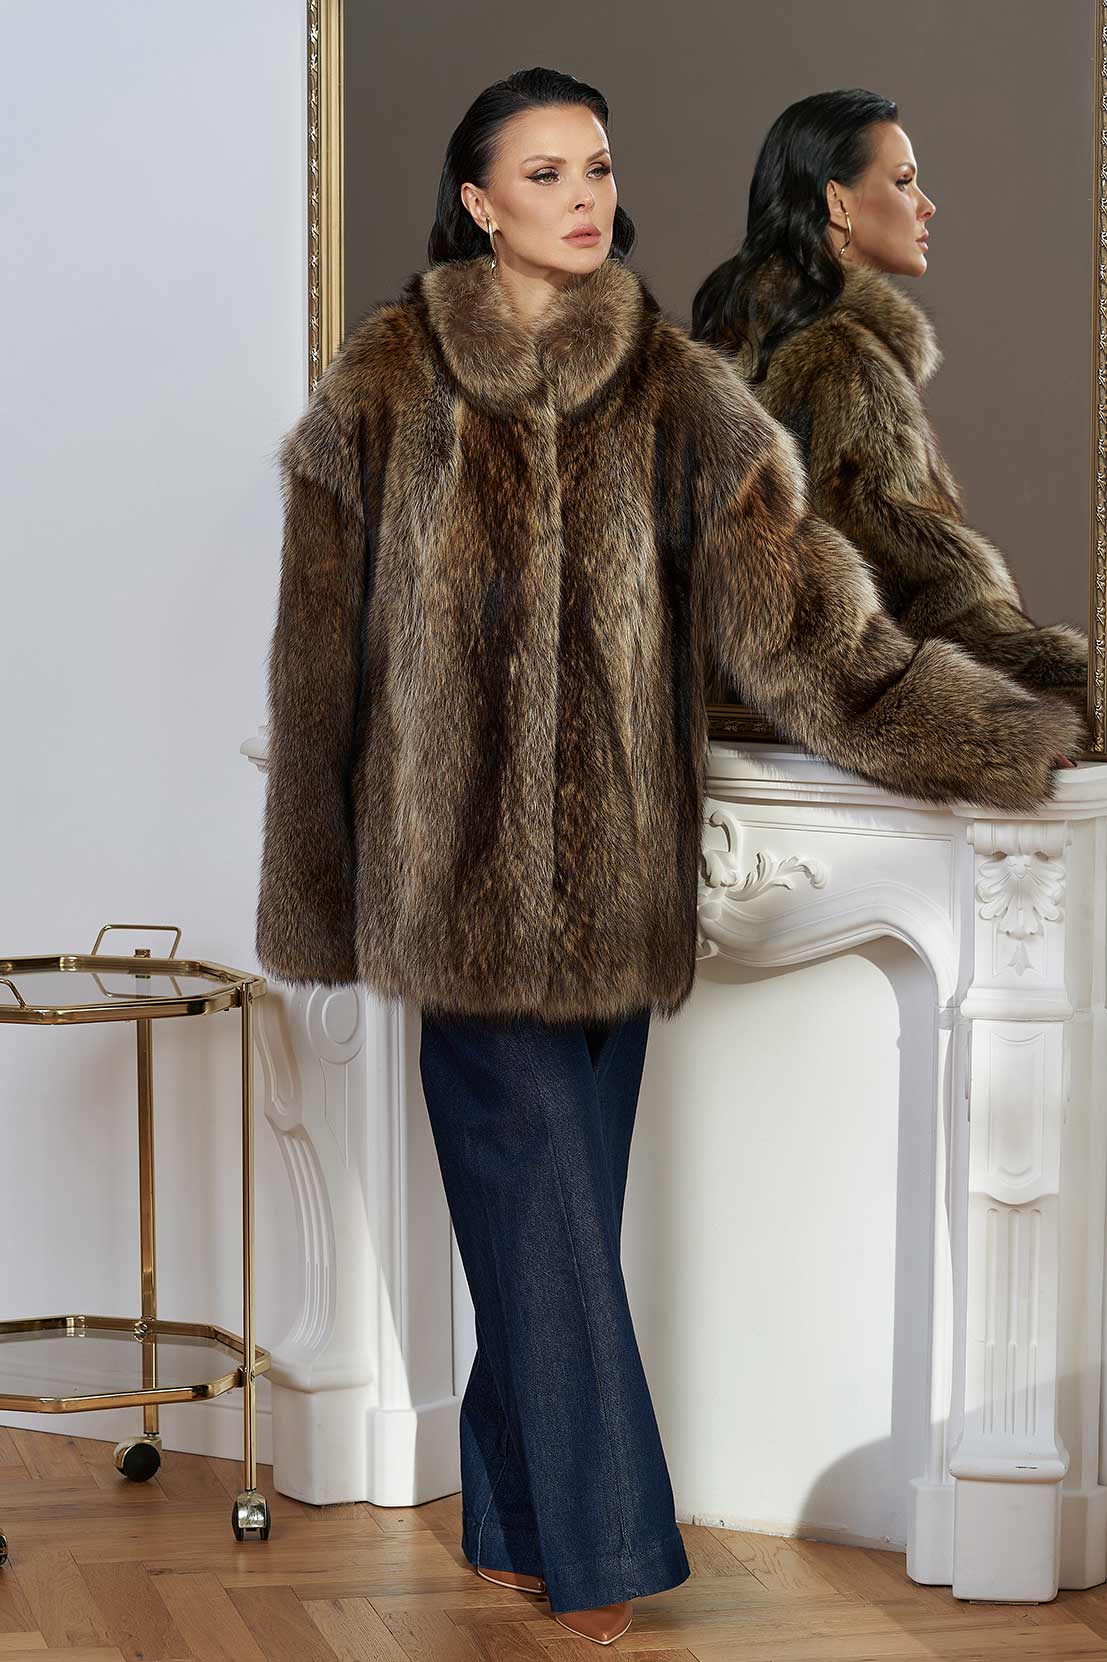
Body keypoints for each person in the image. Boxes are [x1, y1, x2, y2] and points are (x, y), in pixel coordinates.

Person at [254, 68, 1083, 1646]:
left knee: (549, 1217)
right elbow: (316, 656)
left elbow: (802, 624)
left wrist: (989, 728)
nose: (582, 196)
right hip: (450, 884)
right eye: (543, 172)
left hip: (623, 882)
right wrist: (315, 883)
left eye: (595, 167)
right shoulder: (385, 383)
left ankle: (509, 1513)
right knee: (545, 1208)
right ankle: (605, 1550)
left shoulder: (676, 387)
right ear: (476, 200)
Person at [690, 89, 1089, 718]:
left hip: (733, 728)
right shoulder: (846, 363)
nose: (926, 205)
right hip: (839, 741)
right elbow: (916, 580)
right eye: (903, 182)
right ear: (838, 201)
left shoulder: (729, 350)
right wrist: (1058, 686)